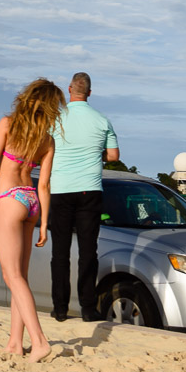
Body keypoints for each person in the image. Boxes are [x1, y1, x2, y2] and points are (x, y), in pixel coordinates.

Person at [0, 78, 64, 363]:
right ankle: (14, 342)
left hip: (9, 199)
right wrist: (44, 222)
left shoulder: (8, 124)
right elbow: (44, 185)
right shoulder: (47, 139)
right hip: (31, 202)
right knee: (19, 278)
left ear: (27, 97)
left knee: (12, 277)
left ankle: (39, 341)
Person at [48, 72, 119, 321]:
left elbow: (46, 149)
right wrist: (93, 154)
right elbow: (113, 156)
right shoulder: (102, 120)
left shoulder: (55, 118)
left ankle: (59, 308)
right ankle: (88, 308)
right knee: (88, 252)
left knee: (60, 253)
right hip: (90, 190)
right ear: (90, 92)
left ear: (69, 90)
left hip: (60, 189)